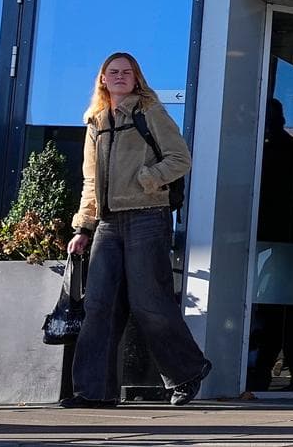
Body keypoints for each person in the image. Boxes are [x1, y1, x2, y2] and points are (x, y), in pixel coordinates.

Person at [61, 52, 211, 408]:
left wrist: (148, 179)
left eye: (127, 72)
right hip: (109, 224)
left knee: (149, 303)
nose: (119, 77)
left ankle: (187, 372)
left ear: (137, 78)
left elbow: (180, 158)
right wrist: (83, 227)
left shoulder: (150, 112)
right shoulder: (95, 122)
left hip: (147, 216)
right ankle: (94, 391)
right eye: (113, 72)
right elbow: (91, 180)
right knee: (99, 304)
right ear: (102, 79)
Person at [247, 98, 293, 392]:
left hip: (283, 242)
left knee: (274, 311)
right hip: (292, 242)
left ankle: (264, 373)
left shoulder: (269, 153)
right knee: (288, 311)